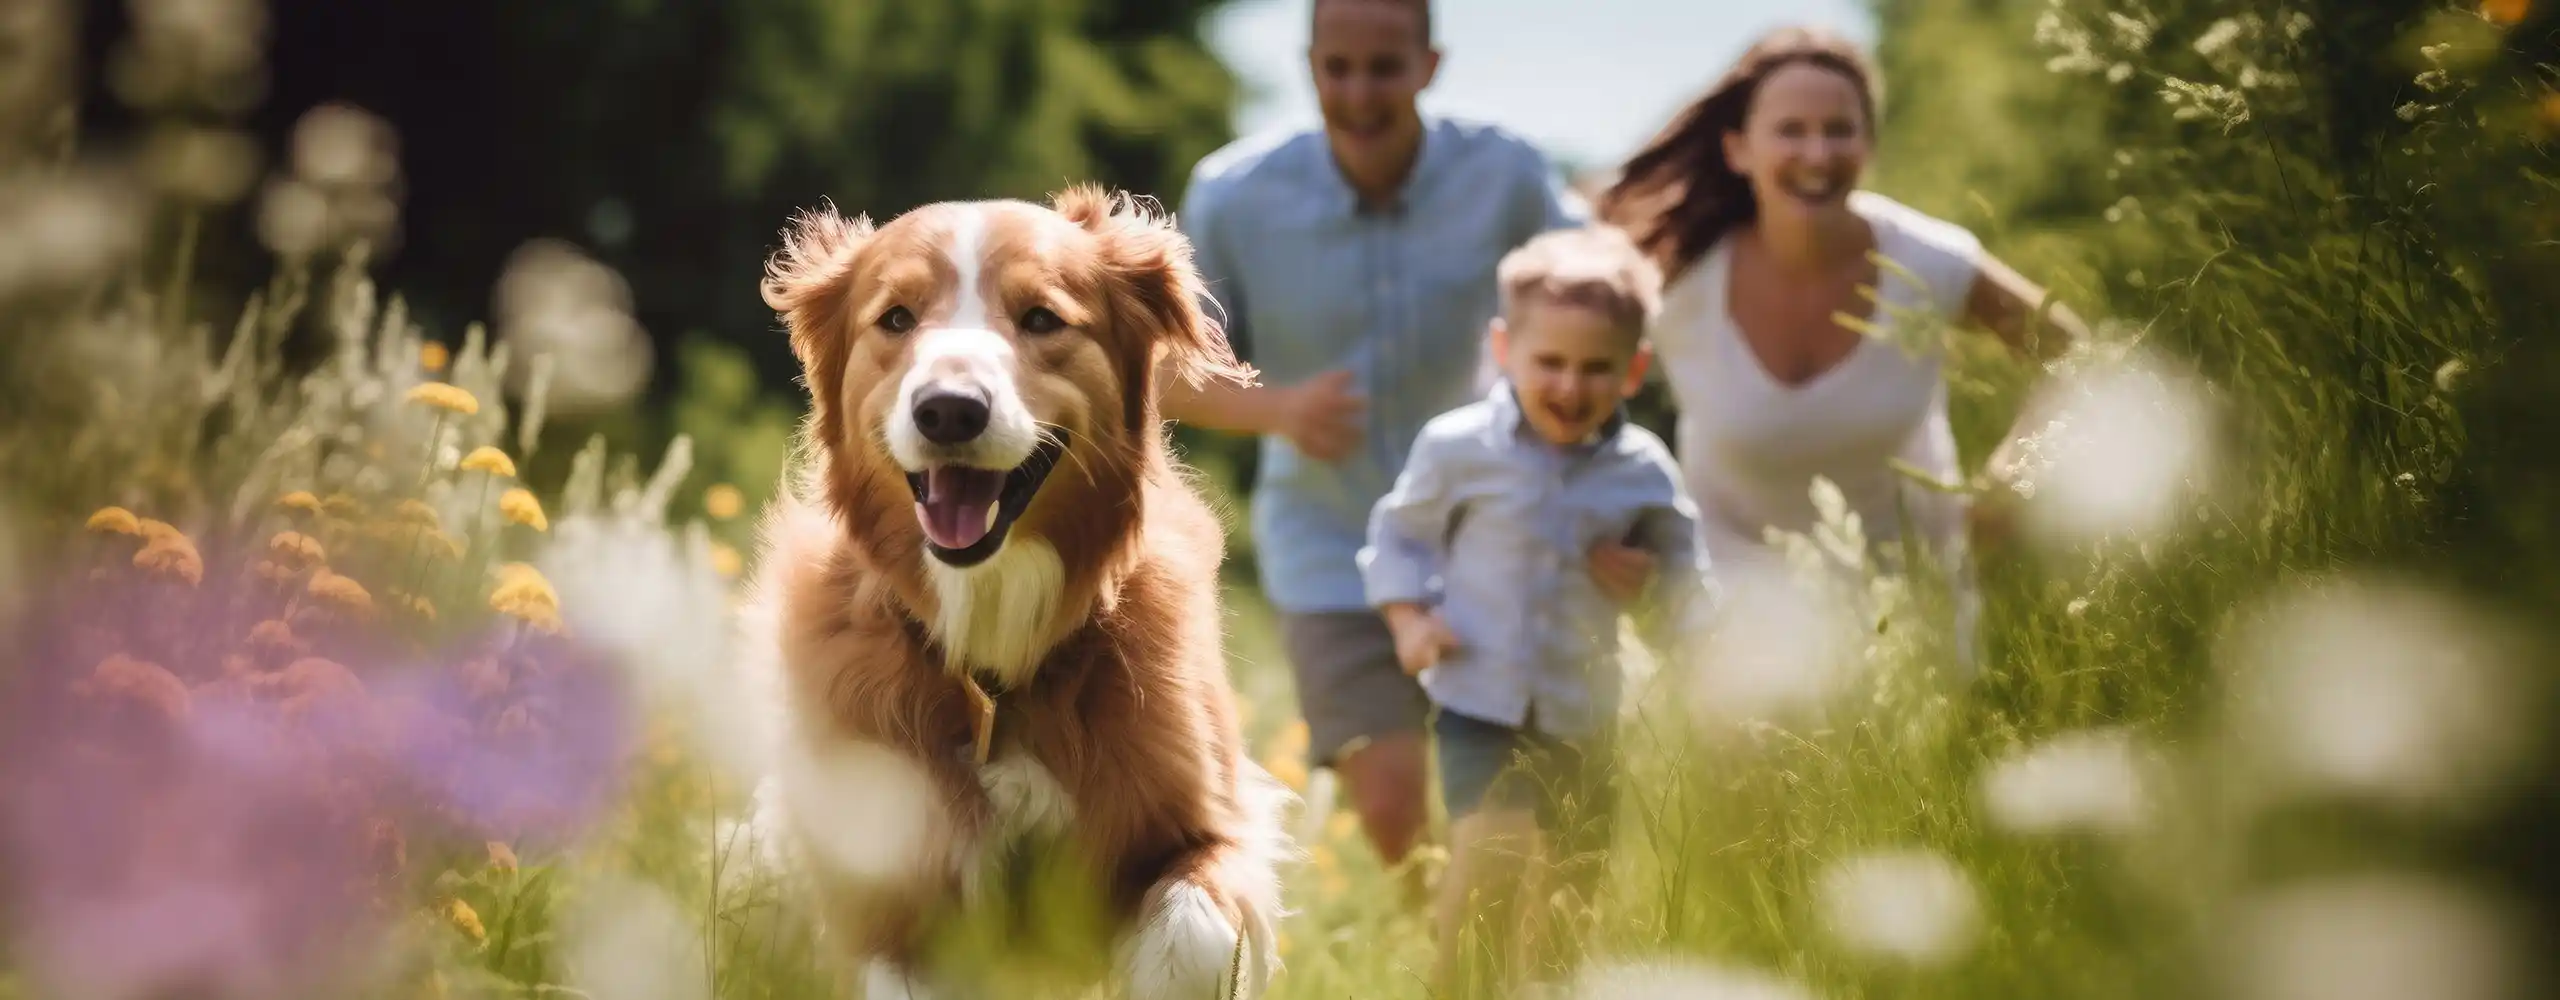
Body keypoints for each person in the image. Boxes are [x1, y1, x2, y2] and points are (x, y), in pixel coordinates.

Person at [1165, 0, 1588, 875]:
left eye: (1385, 70)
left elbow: (1594, 292)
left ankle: (1491, 957)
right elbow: (1166, 376)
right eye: (1337, 69)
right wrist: (1278, 410)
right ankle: (1440, 943)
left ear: (1429, 66)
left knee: (1509, 809)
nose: (1360, 94)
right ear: (1310, 65)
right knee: (1394, 814)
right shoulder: (1234, 195)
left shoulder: (1505, 172)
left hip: (1487, 534)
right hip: (1328, 543)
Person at [1593, 25, 2093, 665]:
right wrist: (1607, 520)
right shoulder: (1675, 275)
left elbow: (2080, 357)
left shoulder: (1927, 262)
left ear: (1868, 144)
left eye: (1839, 130)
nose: (1818, 153)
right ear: (1738, 150)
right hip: (1735, 606)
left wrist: (2010, 483)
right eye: (1791, 130)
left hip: (1911, 607)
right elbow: (1556, 369)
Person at [1359, 225, 1714, 995]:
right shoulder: (1459, 448)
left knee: (1568, 902)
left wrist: (1653, 591)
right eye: (1548, 362)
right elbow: (1399, 535)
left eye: (1597, 368)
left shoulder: (1642, 472)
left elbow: (1689, 578)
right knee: (1490, 865)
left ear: (1635, 369)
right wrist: (1410, 621)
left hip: (1586, 715)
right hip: (1480, 702)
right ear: (1504, 348)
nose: (1569, 387)